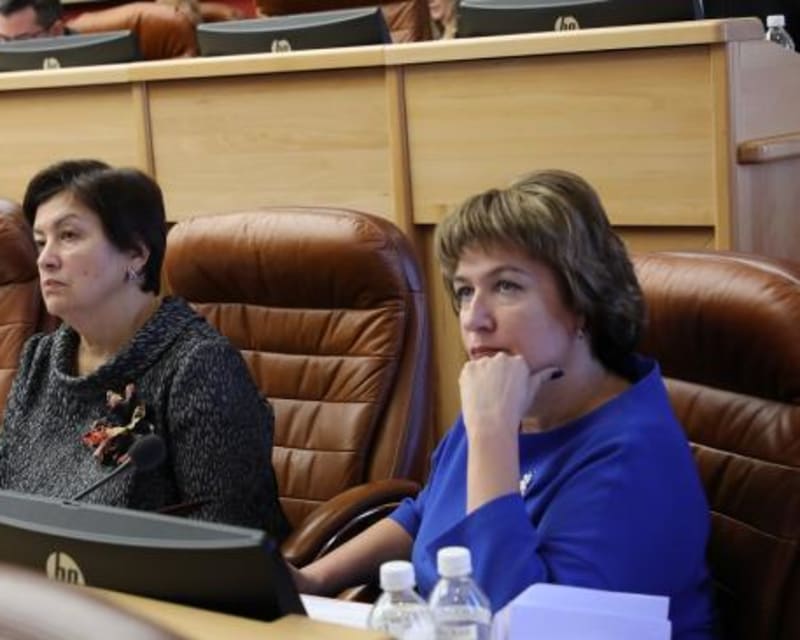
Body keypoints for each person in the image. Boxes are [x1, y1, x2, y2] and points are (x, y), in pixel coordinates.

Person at [295, 169, 716, 638]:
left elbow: (511, 625)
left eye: (506, 287)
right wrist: (311, 581)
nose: (474, 318)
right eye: (465, 290)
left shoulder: (632, 457)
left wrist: (492, 437)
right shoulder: (504, 394)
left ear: (582, 303)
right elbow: (427, 515)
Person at [0, 159, 290, 540]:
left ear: (136, 253)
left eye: (68, 236)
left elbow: (228, 541)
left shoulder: (197, 367)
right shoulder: (39, 358)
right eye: (40, 242)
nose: (45, 259)